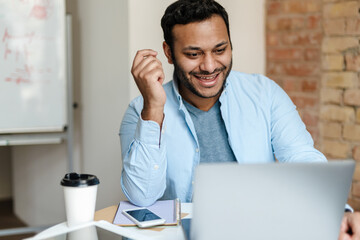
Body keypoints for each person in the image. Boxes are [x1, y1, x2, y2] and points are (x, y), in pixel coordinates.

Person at [119, 0, 360, 239]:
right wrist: (154, 108)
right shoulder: (141, 111)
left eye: (220, 50)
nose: (210, 66)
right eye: (194, 54)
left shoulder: (265, 94)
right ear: (169, 53)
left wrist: (336, 212)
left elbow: (302, 158)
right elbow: (142, 197)